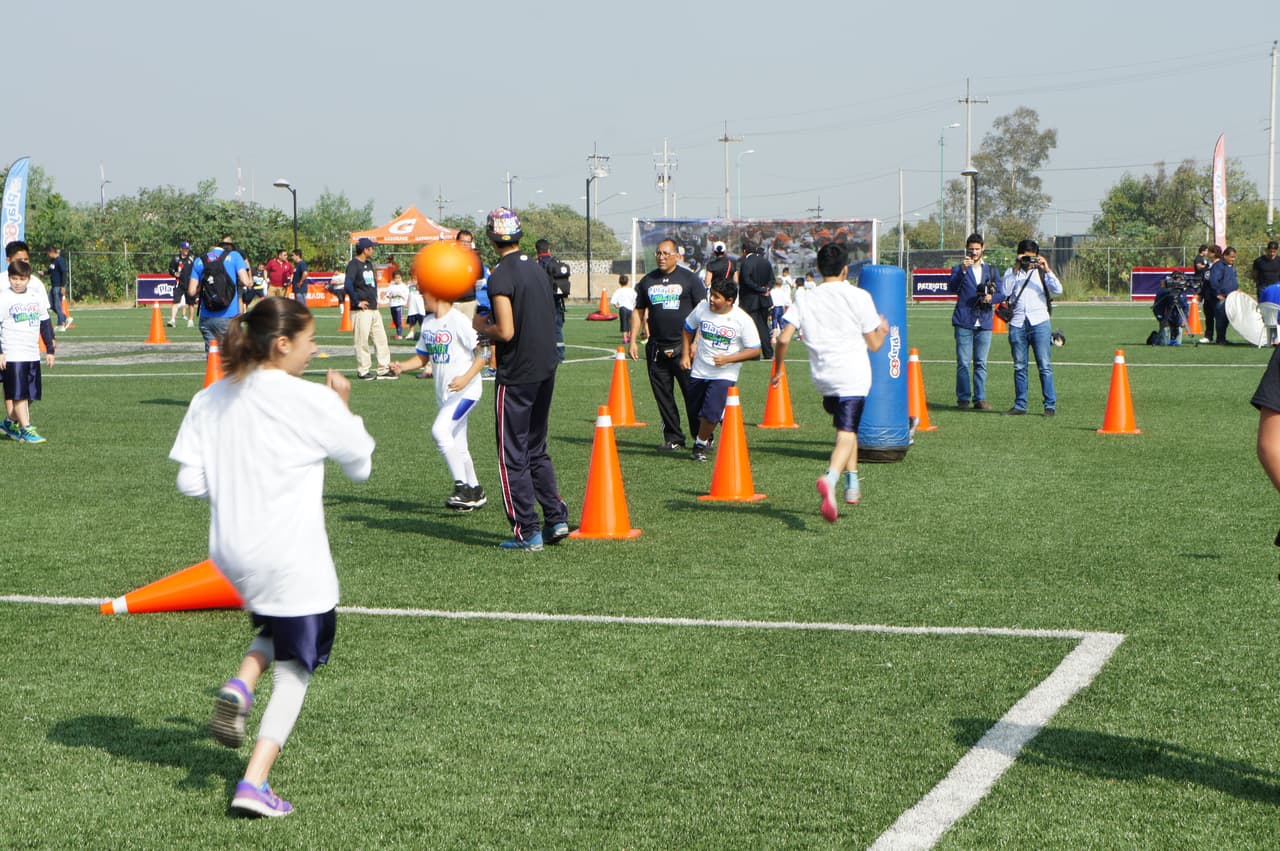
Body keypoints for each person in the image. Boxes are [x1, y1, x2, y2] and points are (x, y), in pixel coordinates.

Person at [169, 297, 374, 819]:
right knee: (297, 667)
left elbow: (190, 482)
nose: (315, 350)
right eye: (310, 342)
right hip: (291, 553)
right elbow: (360, 467)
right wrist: (342, 404)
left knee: (279, 621)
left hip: (232, 555)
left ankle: (241, 683)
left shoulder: (210, 397)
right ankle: (254, 782)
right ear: (282, 344)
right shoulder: (310, 400)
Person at [472, 207, 569, 551]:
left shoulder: (500, 275)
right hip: (546, 367)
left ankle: (527, 530)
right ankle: (556, 518)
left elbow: (506, 330)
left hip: (518, 374)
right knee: (536, 447)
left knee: (512, 453)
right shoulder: (537, 268)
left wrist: (481, 326)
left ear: (491, 237)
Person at [770, 242, 888, 521]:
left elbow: (784, 338)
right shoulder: (859, 296)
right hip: (853, 375)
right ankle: (831, 478)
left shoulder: (805, 297)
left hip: (823, 377)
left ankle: (852, 482)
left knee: (846, 429)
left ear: (819, 269)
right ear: (846, 269)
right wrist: (883, 329)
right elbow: (873, 345)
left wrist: (778, 369)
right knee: (847, 434)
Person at [389, 288, 487, 510]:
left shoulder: (458, 320)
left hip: (467, 391)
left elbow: (485, 351)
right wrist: (402, 367)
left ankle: (462, 488)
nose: (421, 298)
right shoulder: (428, 322)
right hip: (445, 395)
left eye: (425, 294)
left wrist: (466, 378)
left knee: (440, 431)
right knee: (459, 445)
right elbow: (423, 357)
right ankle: (476, 491)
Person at [629, 238, 705, 451]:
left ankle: (702, 437)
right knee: (663, 397)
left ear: (676, 256)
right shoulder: (647, 281)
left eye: (665, 253)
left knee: (693, 395)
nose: (661, 257)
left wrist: (696, 342)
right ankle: (673, 438)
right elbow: (639, 310)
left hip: (685, 347)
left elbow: (702, 311)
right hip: (656, 348)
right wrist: (633, 340)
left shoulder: (690, 279)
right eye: (658, 253)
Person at [680, 278, 761, 461]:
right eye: (711, 295)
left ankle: (699, 445)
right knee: (694, 411)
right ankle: (721, 413)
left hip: (725, 373)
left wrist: (728, 359)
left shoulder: (742, 320)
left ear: (730, 300)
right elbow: (687, 329)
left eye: (716, 297)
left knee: (709, 414)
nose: (711, 300)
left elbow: (755, 349)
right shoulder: (702, 308)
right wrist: (685, 354)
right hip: (699, 369)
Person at [1000, 239, 1063, 416]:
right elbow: (1004, 292)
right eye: (1025, 257)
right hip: (1017, 323)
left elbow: (1058, 290)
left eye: (1031, 258)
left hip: (1039, 322)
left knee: (1044, 365)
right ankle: (1020, 404)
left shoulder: (1041, 273)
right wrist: (1016, 268)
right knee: (1019, 366)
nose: (1029, 261)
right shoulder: (1012, 272)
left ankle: (1049, 405)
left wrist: (1046, 268)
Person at [0, 259, 56, 443]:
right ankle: (26, 428)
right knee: (18, 394)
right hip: (12, 353)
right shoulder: (4, 298)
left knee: (31, 394)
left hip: (31, 353)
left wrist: (49, 349)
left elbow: (45, 322)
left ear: (28, 279)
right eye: (14, 278)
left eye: (21, 278)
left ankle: (9, 423)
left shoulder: (35, 296)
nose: (17, 282)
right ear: (9, 279)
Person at [947, 233, 1003, 410]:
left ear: (983, 249)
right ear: (966, 249)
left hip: (985, 320)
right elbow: (952, 288)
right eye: (971, 249)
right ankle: (963, 399)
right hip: (964, 320)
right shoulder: (958, 269)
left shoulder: (992, 270)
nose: (974, 252)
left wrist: (991, 298)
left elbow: (1002, 293)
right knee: (963, 362)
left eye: (977, 249)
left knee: (981, 362)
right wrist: (963, 270)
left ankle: (980, 399)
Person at [188, 235, 251, 352]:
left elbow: (191, 291)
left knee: (212, 355)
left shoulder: (200, 260)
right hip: (228, 315)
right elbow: (246, 281)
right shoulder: (235, 256)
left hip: (206, 316)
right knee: (231, 356)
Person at [345, 237, 394, 379]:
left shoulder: (368, 264)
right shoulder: (353, 264)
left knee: (381, 339)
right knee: (362, 341)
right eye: (371, 248)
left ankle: (383, 368)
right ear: (365, 249)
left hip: (373, 309)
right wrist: (357, 301)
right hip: (361, 310)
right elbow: (348, 284)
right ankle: (363, 370)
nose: (373, 250)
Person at [736, 236, 774, 359]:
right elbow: (772, 279)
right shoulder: (765, 261)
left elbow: (746, 280)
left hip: (750, 300)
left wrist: (760, 289)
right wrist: (767, 289)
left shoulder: (746, 263)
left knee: (753, 328)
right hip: (764, 299)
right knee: (763, 325)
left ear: (744, 251)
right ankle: (767, 352)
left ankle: (756, 354)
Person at [535, 238, 570, 361]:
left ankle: (543, 354)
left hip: (541, 302)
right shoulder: (555, 263)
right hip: (557, 302)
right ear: (549, 250)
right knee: (557, 329)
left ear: (537, 251)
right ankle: (559, 355)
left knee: (540, 329)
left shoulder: (536, 265)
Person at [1208, 245, 1239, 345]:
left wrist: (1237, 289)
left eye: (1234, 257)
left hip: (1230, 297)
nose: (1233, 259)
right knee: (1221, 319)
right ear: (1225, 255)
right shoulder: (1219, 266)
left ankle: (1223, 338)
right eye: (1231, 257)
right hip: (1221, 298)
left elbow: (1232, 280)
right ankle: (1220, 339)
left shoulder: (1231, 266)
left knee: (1226, 319)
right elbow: (1213, 281)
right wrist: (1217, 294)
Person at [1152, 274, 1190, 346]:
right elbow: (1157, 307)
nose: (1179, 283)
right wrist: (1161, 319)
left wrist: (1184, 320)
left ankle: (1173, 339)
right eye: (1178, 281)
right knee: (1164, 343)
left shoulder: (1182, 293)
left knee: (1178, 342)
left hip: (1177, 319)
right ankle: (1155, 338)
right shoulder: (1163, 292)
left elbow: (1185, 307)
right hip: (1166, 318)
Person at [168, 241, 197, 327]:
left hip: (190, 283)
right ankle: (172, 320)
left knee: (191, 303)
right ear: (181, 249)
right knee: (175, 301)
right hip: (179, 283)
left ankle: (191, 320)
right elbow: (171, 269)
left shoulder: (192, 258)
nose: (186, 250)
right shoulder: (176, 258)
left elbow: (197, 268)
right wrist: (174, 273)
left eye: (187, 249)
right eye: (185, 249)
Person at [1198, 245, 1220, 344]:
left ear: (1214, 253)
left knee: (1219, 317)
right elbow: (1205, 281)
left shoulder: (1221, 265)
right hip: (1207, 295)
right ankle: (1208, 336)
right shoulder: (1208, 265)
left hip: (1217, 295)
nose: (1208, 254)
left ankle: (1220, 337)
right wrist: (1201, 294)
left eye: (1210, 252)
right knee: (1209, 316)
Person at [45, 246, 70, 331]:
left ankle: (61, 325)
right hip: (53, 286)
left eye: (48, 253)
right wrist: (44, 273)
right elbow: (50, 271)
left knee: (57, 305)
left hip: (58, 286)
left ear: (52, 252)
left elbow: (64, 273)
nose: (48, 255)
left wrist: (63, 286)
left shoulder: (60, 260)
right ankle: (65, 318)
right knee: (51, 305)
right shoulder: (53, 261)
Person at [610, 274, 636, 345]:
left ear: (619, 282)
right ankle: (630, 336)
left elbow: (613, 300)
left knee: (624, 323)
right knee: (630, 323)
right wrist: (634, 305)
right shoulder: (631, 290)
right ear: (628, 281)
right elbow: (635, 299)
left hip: (622, 308)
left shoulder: (618, 290)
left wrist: (616, 306)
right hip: (631, 308)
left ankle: (625, 338)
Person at [384, 271, 409, 340]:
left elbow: (406, 296)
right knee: (395, 320)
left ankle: (399, 335)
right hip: (392, 305)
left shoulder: (404, 286)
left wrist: (400, 294)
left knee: (398, 320)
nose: (397, 279)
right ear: (393, 278)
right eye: (396, 278)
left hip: (399, 305)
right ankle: (398, 333)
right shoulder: (391, 286)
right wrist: (391, 296)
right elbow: (387, 295)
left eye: (399, 278)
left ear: (401, 278)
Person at [768, 275, 792, 340]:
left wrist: (770, 308)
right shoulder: (782, 292)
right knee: (781, 322)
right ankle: (783, 335)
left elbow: (770, 300)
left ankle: (773, 338)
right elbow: (786, 301)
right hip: (781, 308)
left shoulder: (772, 291)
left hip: (775, 308)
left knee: (774, 321)